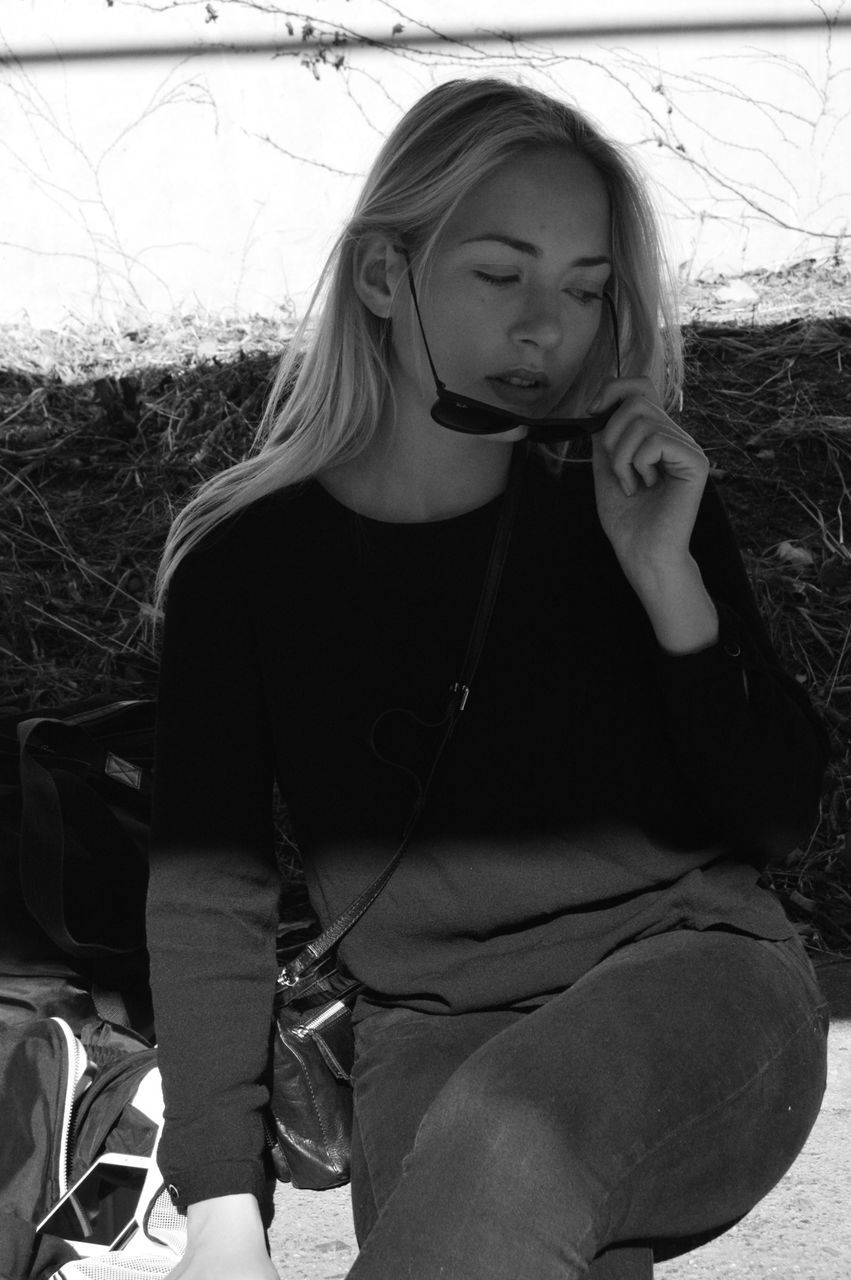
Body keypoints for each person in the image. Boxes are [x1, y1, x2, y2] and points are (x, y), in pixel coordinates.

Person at [147, 78, 831, 1280]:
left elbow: (774, 814)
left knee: (511, 1138)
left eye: (580, 289)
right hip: (434, 1030)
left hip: (696, 980)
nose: (544, 328)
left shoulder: (630, 496)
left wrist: (668, 581)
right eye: (498, 274)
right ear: (381, 276)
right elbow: (210, 888)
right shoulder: (243, 564)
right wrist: (221, 1212)